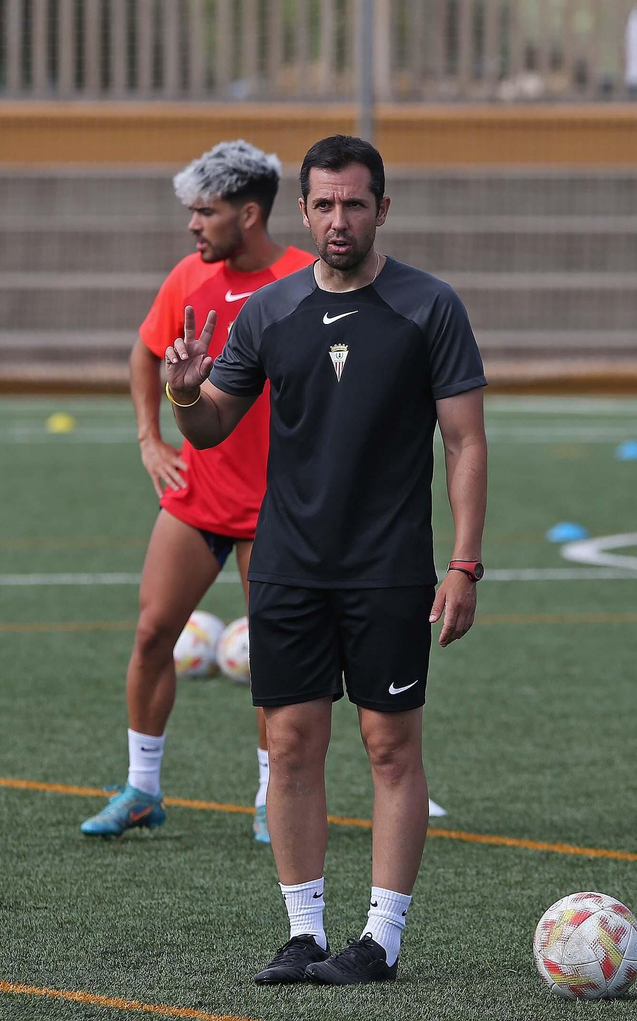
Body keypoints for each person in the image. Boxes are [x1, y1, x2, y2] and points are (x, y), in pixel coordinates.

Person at [160, 135, 488, 984]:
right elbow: (209, 429)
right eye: (326, 205)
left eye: (356, 203)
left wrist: (464, 563)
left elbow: (464, 442)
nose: (340, 220)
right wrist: (185, 390)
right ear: (302, 213)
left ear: (383, 209)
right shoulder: (268, 312)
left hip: (388, 568)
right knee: (293, 742)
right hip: (287, 565)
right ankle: (304, 932)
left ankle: (380, 938)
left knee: (389, 748)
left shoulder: (430, 306)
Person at [80, 140, 314, 842]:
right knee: (153, 632)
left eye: (203, 212)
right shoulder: (187, 276)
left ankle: (273, 797)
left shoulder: (306, 279)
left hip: (277, 506)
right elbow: (144, 355)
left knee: (273, 658)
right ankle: (143, 789)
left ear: (248, 214)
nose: (191, 225)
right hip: (198, 495)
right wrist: (151, 439)